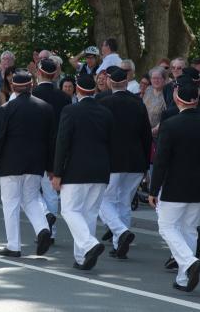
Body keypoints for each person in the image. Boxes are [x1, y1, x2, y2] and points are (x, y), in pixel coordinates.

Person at [148, 76, 200, 292]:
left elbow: (161, 161)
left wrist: (153, 188)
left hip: (175, 185)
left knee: (167, 227)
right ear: (196, 100)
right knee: (188, 229)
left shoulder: (170, 125)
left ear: (177, 99)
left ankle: (188, 262)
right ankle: (183, 278)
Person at [0, 70, 53, 257]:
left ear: (13, 87)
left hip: (11, 163)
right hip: (36, 163)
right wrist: (51, 167)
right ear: (32, 86)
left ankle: (14, 245)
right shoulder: (45, 108)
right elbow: (51, 140)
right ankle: (42, 229)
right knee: (30, 199)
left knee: (11, 203)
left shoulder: (7, 108)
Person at [52, 74, 114, 270]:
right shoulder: (106, 112)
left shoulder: (70, 111)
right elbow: (112, 143)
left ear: (78, 89)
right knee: (89, 213)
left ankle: (89, 245)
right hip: (100, 169)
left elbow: (62, 143)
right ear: (94, 89)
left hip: (75, 170)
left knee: (70, 210)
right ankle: (82, 257)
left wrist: (57, 173)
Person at [97, 68, 152, 259]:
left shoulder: (103, 102)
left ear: (111, 82)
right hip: (136, 160)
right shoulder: (138, 103)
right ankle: (119, 243)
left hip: (112, 160)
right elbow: (146, 135)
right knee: (124, 203)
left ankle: (120, 232)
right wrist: (146, 163)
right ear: (127, 83)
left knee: (103, 200)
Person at [33, 58, 72, 241]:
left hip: (36, 146)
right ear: (55, 74)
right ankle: (51, 231)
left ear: (39, 73)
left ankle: (44, 219)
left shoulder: (32, 94)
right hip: (56, 147)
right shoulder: (64, 97)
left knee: (31, 192)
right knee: (50, 191)